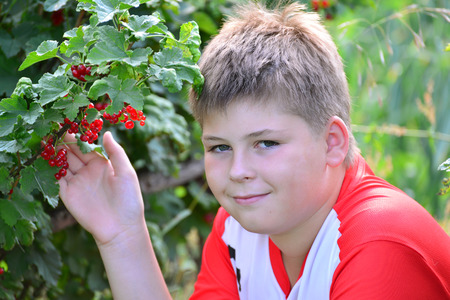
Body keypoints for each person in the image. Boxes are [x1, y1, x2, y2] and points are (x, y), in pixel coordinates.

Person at [58, 2, 450, 299]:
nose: (238, 171)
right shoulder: (239, 228)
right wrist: (123, 237)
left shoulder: (382, 247)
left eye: (266, 143)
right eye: (220, 147)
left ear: (332, 142)